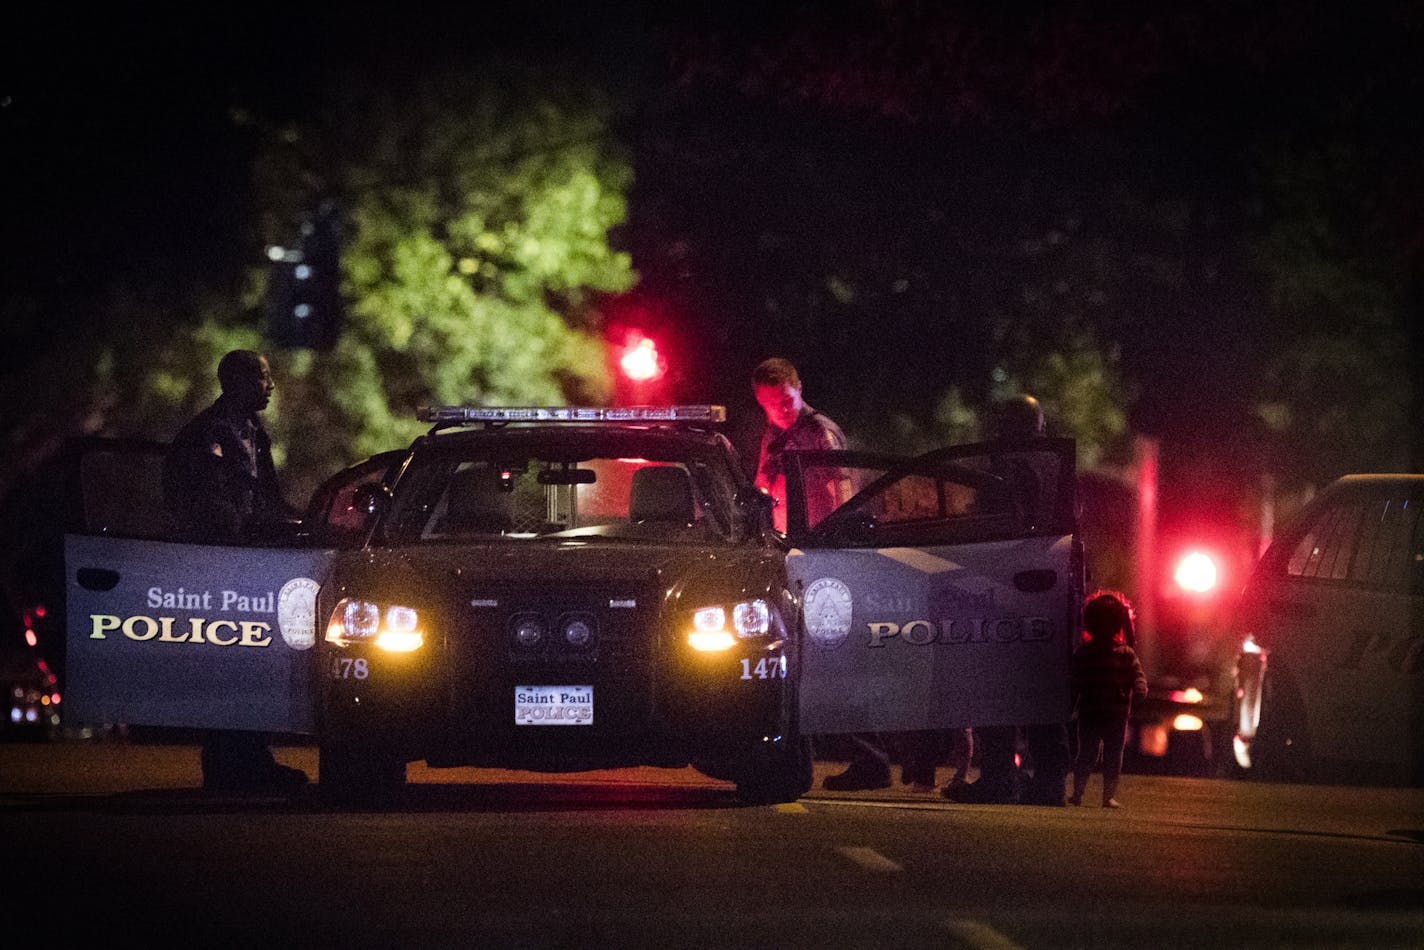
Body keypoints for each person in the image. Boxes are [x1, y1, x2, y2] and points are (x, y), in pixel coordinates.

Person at [162, 349, 307, 791]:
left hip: (252, 563)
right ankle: (229, 760)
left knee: (255, 659)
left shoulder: (253, 434)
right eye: (263, 377)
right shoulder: (206, 435)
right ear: (235, 382)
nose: (271, 385)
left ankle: (248, 757)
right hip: (220, 565)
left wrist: (304, 525)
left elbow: (267, 499)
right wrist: (248, 531)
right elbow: (204, 505)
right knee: (231, 659)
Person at [750, 358, 889, 791]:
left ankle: (870, 759)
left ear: (799, 389)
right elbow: (762, 487)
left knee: (826, 661)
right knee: (801, 662)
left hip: (822, 555)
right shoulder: (775, 435)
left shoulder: (819, 433)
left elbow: (837, 493)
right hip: (793, 553)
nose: (780, 410)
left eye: (785, 401)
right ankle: (825, 757)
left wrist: (826, 548)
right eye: (770, 405)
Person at [945, 393, 1070, 805]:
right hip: (1051, 587)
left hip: (1005, 585)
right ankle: (1049, 781)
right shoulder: (1058, 466)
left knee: (994, 684)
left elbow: (992, 528)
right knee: (1040, 686)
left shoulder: (1007, 468)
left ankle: (998, 776)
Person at [1069, 590, 1149, 808]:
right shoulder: (1124, 653)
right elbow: (1138, 676)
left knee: (1090, 754)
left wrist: (1069, 703)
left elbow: (1075, 681)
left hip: (1095, 713)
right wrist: (1140, 691)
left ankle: (1082, 793)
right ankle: (1098, 795)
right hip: (1113, 713)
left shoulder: (1086, 652)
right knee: (1105, 755)